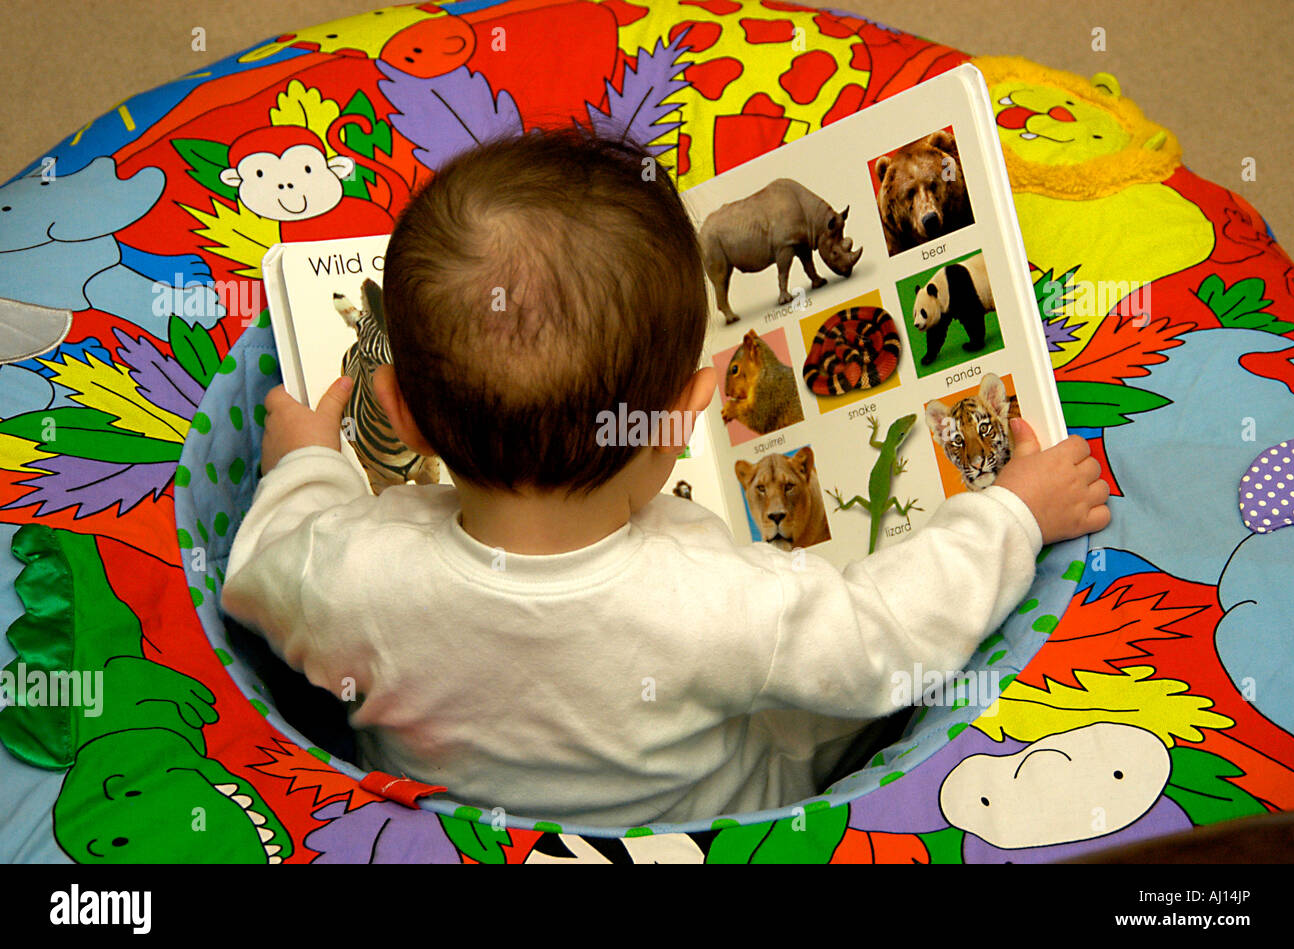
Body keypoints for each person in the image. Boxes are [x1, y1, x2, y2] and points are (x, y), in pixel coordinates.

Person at [222, 128, 1109, 828]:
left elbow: (256, 569)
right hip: (716, 820)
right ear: (685, 419)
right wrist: (1012, 514)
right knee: (856, 695)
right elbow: (885, 637)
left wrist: (303, 462)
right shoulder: (725, 601)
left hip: (462, 822)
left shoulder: (344, 572)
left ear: (399, 411)